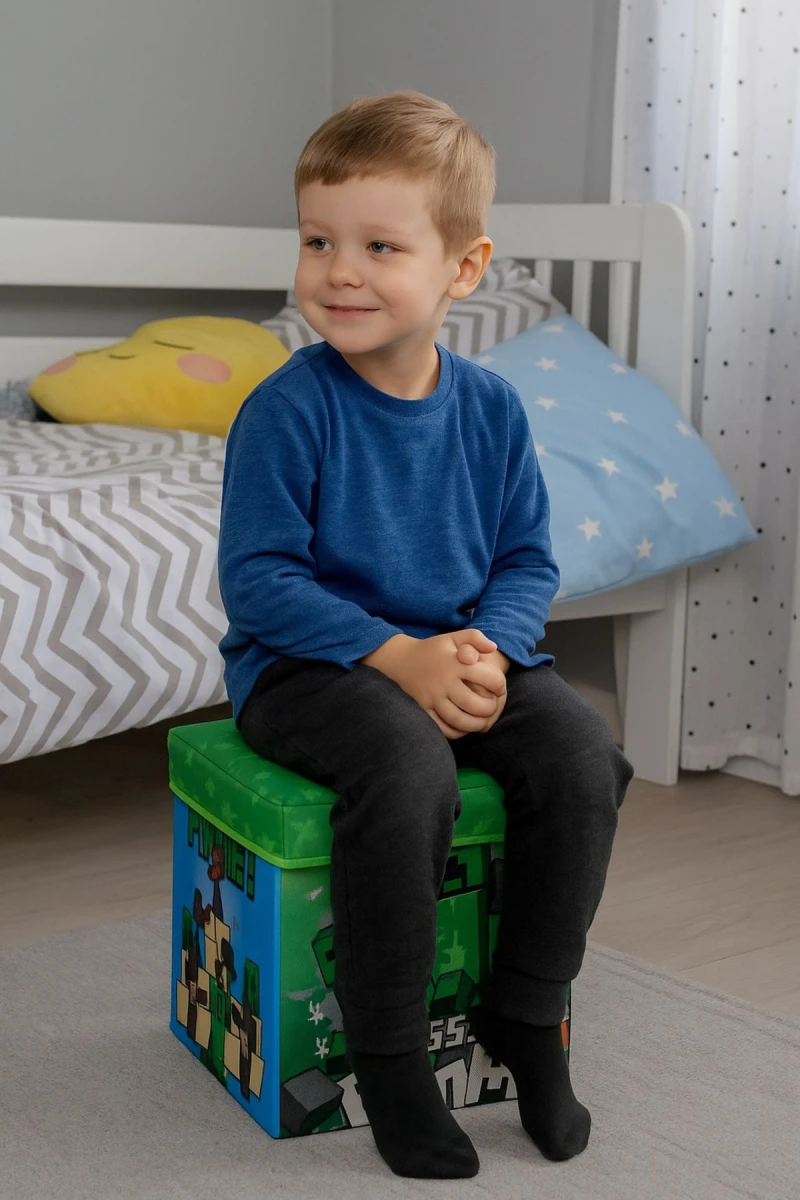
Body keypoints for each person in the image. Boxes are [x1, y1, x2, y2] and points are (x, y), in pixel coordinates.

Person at [217, 91, 633, 1180]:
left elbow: (525, 561)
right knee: (407, 768)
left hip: (455, 650)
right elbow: (258, 584)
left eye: (379, 246)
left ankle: (527, 1014)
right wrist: (398, 658)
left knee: (581, 753)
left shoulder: (492, 410)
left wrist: (487, 647)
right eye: (317, 241)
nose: (339, 272)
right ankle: (391, 1053)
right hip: (309, 666)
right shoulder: (288, 409)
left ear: (463, 267)